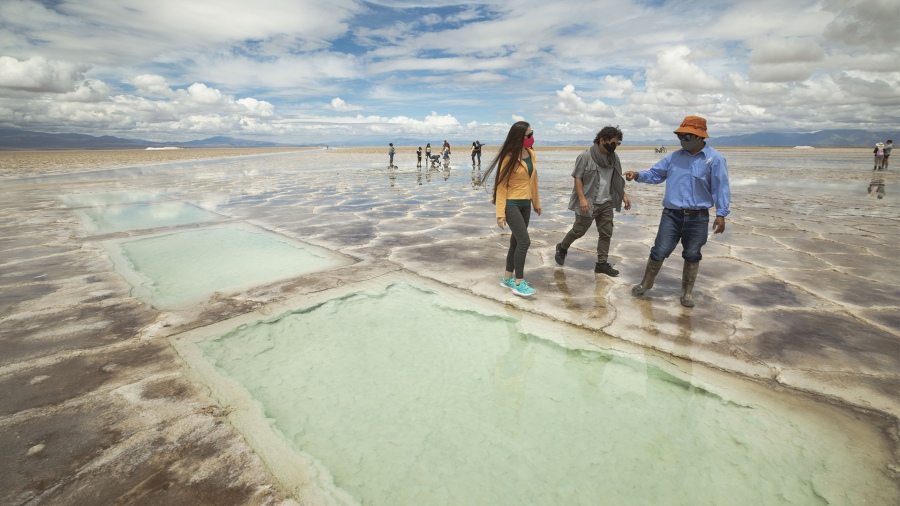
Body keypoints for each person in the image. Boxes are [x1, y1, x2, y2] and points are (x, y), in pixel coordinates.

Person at [624, 115, 731, 307]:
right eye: (680, 136)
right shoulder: (673, 157)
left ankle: (687, 293)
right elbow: (656, 174)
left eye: (687, 136)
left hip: (698, 217)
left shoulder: (714, 159)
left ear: (700, 138)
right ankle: (645, 284)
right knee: (659, 251)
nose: (683, 140)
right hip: (671, 215)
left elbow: (721, 187)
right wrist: (638, 175)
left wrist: (721, 214)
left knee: (692, 254)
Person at [554, 126, 631, 276]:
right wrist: (582, 199)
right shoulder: (586, 156)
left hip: (607, 202)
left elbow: (616, 180)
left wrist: (624, 195)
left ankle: (601, 264)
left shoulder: (614, 158)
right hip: (589, 202)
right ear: (602, 140)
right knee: (578, 231)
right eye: (612, 143)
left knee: (606, 233)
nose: (614, 146)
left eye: (617, 144)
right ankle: (562, 247)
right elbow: (578, 177)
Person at [483, 121, 541, 297]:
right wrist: (500, 214)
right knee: (524, 241)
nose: (532, 138)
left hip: (525, 204)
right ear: (519, 137)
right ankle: (519, 282)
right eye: (528, 135)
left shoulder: (531, 154)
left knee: (516, 242)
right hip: (512, 204)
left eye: (532, 134)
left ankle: (507, 278)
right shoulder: (508, 158)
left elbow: (534, 181)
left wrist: (536, 203)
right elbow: (501, 187)